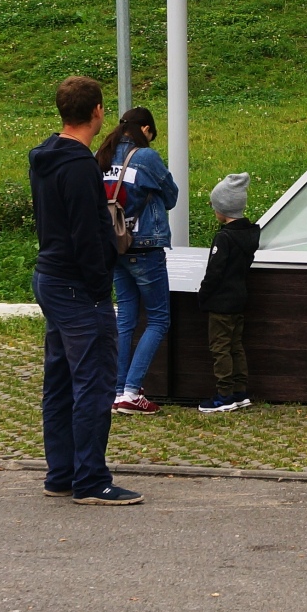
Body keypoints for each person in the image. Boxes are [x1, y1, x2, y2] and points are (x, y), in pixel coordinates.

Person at [28, 76, 139, 506]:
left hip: (51, 276)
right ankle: (90, 479)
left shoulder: (47, 156)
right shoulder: (78, 166)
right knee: (92, 383)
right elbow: (86, 234)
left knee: (59, 380)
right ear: (97, 111)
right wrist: (98, 284)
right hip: (78, 286)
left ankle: (62, 473)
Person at [98, 106, 181, 416]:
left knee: (126, 319)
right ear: (145, 129)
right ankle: (132, 392)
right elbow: (171, 197)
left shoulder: (102, 156)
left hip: (116, 246)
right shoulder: (146, 157)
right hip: (145, 247)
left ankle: (118, 390)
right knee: (159, 319)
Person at [197, 172, 259, 413]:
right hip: (239, 299)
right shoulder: (248, 235)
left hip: (220, 303)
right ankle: (240, 391)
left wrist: (203, 295)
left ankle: (224, 395)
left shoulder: (223, 238)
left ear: (224, 207)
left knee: (220, 347)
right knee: (236, 346)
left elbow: (214, 272)